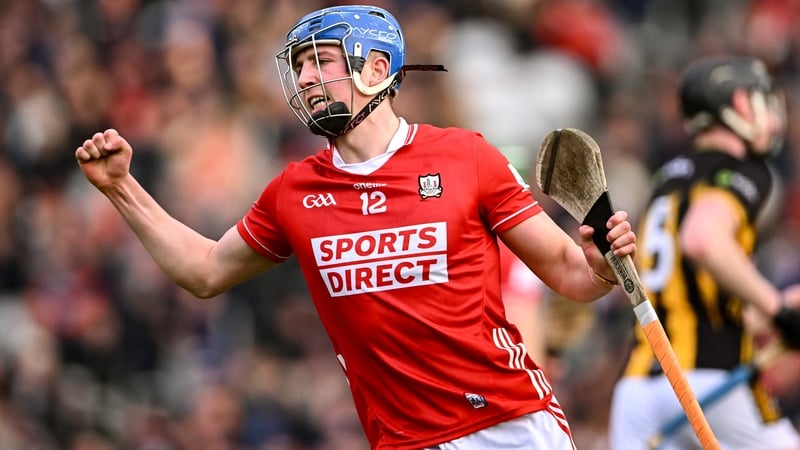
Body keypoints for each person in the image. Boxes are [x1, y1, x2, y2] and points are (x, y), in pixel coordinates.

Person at [75, 5, 637, 449]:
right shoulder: (293, 191)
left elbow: (568, 272)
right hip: (402, 442)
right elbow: (202, 272)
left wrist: (602, 265)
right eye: (299, 65)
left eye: (322, 60)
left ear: (375, 68)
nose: (306, 78)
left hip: (509, 426)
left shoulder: (466, 156)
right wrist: (122, 188)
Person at [609, 55, 800, 450]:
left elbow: (696, 299)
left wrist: (780, 311)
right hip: (709, 378)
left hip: (637, 388)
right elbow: (703, 239)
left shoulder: (667, 178)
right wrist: (779, 311)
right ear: (735, 107)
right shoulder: (741, 171)